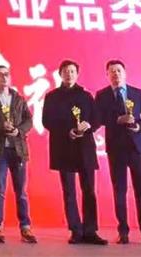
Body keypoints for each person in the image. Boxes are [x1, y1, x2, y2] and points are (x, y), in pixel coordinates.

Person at [94, 59, 141, 246]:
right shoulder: (102, 95)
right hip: (116, 150)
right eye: (112, 71)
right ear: (107, 75)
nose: (115, 74)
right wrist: (117, 120)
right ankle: (123, 232)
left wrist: (138, 126)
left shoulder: (137, 93)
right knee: (119, 191)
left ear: (125, 73)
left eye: (118, 70)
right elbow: (98, 118)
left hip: (137, 148)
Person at [42, 59, 107, 245]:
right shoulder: (52, 97)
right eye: (65, 71)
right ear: (60, 74)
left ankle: (90, 231)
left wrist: (88, 126)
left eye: (72, 71)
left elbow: (97, 118)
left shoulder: (86, 96)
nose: (69, 74)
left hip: (84, 148)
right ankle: (75, 230)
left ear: (77, 74)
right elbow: (47, 121)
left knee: (89, 191)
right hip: (64, 148)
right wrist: (68, 131)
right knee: (69, 191)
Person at [0, 65, 37, 244]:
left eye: (6, 74)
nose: (4, 77)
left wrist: (18, 131)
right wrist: (1, 127)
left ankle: (25, 227)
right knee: (0, 190)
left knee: (21, 192)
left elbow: (29, 120)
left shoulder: (18, 98)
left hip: (17, 150)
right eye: (0, 74)